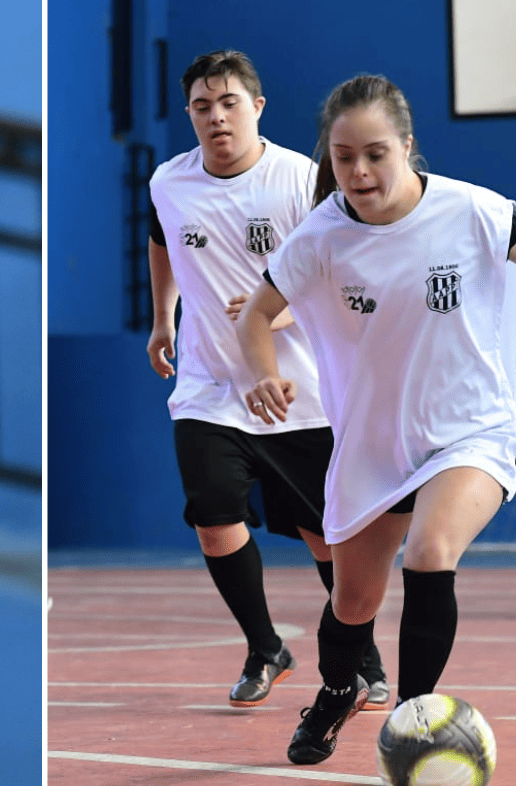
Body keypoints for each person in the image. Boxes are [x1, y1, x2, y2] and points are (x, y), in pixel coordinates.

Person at [237, 74, 516, 766]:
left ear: (407, 146)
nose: (360, 171)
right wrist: (263, 372)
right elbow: (256, 316)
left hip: (470, 427)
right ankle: (338, 690)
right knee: (352, 600)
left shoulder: (473, 212)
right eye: (344, 157)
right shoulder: (322, 236)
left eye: (376, 153)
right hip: (376, 439)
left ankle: (413, 720)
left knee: (431, 553)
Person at [146, 50, 388, 712]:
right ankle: (265, 648)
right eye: (201, 106)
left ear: (256, 107)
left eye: (228, 103)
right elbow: (162, 242)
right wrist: (161, 317)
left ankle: (362, 655)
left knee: (324, 534)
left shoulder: (303, 182)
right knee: (214, 518)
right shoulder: (168, 182)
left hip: (298, 392)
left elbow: (346, 272)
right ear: (190, 114)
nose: (215, 117)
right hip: (208, 386)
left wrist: (275, 309)